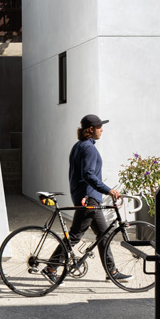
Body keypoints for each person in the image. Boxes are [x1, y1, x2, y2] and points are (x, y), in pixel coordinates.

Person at [45, 114, 130, 282]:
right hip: (89, 198)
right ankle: (51, 267)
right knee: (77, 235)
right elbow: (88, 174)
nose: (102, 130)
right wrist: (108, 190)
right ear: (91, 130)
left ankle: (111, 272)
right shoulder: (89, 148)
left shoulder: (79, 146)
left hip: (85, 196)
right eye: (99, 127)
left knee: (104, 234)